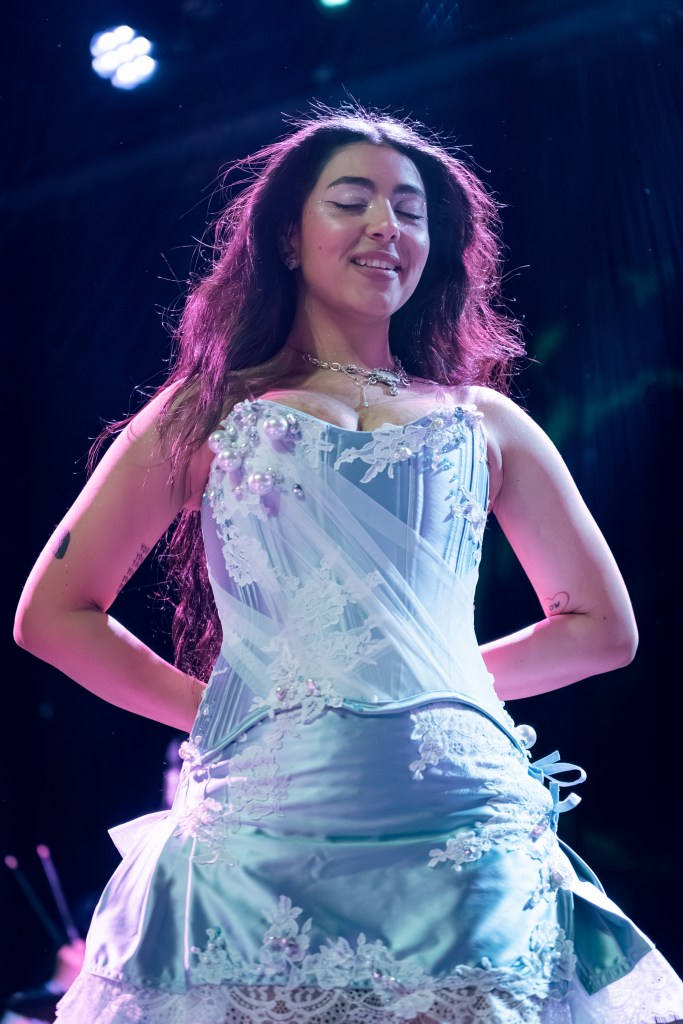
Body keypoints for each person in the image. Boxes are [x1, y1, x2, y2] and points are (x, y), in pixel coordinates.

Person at [13, 101, 683, 1023]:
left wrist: (421, 688)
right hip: (260, 829)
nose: (385, 226)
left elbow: (601, 630)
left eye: (409, 210)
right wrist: (225, 709)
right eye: (351, 201)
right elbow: (55, 613)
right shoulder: (207, 412)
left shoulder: (485, 422)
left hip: (462, 831)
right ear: (287, 238)